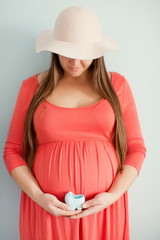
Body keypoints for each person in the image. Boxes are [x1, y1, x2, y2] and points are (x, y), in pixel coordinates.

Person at [3, 5, 147, 240]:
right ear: (55, 49)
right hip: (47, 212)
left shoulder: (117, 86)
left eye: (83, 53)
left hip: (104, 211)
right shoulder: (31, 88)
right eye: (66, 52)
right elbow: (12, 152)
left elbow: (136, 149)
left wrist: (111, 196)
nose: (75, 61)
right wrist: (40, 197)